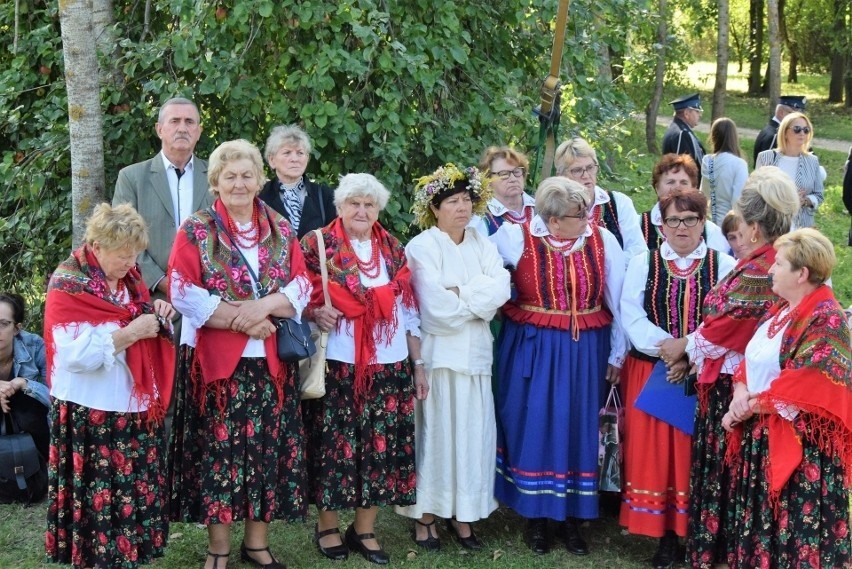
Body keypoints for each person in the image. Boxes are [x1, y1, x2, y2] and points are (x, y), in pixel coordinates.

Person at [167, 140, 309, 569]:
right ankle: (218, 549)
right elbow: (181, 290)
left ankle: (258, 544)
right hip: (216, 364)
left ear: (259, 180)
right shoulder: (195, 228)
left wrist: (261, 308)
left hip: (270, 365)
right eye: (229, 176)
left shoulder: (281, 228)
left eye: (247, 175)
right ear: (215, 183)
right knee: (219, 455)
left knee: (264, 452)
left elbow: (302, 287)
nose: (239, 183)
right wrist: (240, 320)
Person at [661, 167, 799, 569]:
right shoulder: (762, 258)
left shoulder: (763, 266)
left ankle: (720, 554)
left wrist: (687, 347)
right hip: (731, 379)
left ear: (754, 227)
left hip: (734, 386)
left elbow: (728, 324)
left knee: (726, 474)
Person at [492, 176, 626, 556]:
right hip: (532, 346)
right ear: (552, 220)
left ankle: (571, 518)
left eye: (585, 211)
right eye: (577, 214)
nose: (587, 218)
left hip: (587, 349)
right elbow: (480, 268)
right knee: (533, 421)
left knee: (578, 426)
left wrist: (618, 353)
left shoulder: (603, 240)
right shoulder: (514, 237)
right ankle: (536, 517)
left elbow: (619, 302)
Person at [300, 173, 426, 565]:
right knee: (334, 446)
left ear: (378, 209)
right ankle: (328, 526)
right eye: (354, 203)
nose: (361, 210)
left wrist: (417, 363)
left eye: (369, 204)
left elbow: (407, 311)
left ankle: (365, 528)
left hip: (387, 364)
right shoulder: (316, 244)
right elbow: (297, 294)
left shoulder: (392, 249)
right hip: (337, 362)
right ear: (339, 207)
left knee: (379, 448)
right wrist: (313, 311)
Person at [44, 204, 176, 569]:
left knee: (131, 493)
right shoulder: (69, 283)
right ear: (97, 245)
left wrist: (157, 312)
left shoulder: (131, 282)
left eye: (134, 252)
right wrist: (130, 333)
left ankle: (129, 558)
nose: (129, 261)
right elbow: (73, 357)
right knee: (98, 498)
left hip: (132, 405)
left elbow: (137, 316)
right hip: (93, 411)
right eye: (121, 253)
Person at [395, 164, 511, 551]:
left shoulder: (482, 242)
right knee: (437, 435)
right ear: (436, 207)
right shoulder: (422, 246)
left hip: (476, 356)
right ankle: (426, 514)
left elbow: (501, 290)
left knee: (473, 436)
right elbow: (434, 309)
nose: (461, 207)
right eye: (452, 201)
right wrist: (476, 298)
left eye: (466, 200)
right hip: (439, 356)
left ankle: (464, 514)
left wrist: (461, 293)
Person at [619, 189, 735, 569]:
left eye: (690, 219)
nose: (681, 227)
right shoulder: (643, 262)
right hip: (653, 370)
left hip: (705, 375)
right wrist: (668, 348)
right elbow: (631, 315)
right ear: (661, 225)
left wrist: (690, 354)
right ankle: (666, 537)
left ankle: (696, 534)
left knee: (694, 456)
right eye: (673, 220)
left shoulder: (725, 266)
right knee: (657, 457)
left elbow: (728, 323)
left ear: (703, 223)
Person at [722, 228, 851, 568]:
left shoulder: (827, 318)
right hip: (761, 434)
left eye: (778, 264)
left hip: (803, 450)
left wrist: (744, 409)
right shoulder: (780, 310)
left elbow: (805, 385)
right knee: (763, 525)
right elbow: (751, 362)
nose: (770, 270)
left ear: (802, 273)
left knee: (795, 531)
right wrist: (739, 393)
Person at [113, 97, 213, 302]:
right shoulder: (132, 178)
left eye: (189, 122)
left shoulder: (217, 176)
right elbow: (122, 238)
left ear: (199, 131)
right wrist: (159, 281)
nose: (183, 128)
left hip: (210, 296)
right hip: (152, 298)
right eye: (175, 121)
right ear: (159, 129)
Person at [555, 137, 647, 261]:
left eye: (590, 167)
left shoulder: (619, 203)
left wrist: (606, 268)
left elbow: (638, 251)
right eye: (577, 170)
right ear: (561, 175)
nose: (586, 175)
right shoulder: (553, 207)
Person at [0, 292, 49, 502]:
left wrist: (24, 384)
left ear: (17, 328)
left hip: (28, 427)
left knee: (27, 401)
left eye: (3, 324)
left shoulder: (34, 345)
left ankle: (37, 470)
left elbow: (56, 394)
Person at [258, 124, 336, 239]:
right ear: (272, 160)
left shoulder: (325, 196)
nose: (295, 159)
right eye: (287, 153)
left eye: (300, 153)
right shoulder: (260, 196)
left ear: (307, 159)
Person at [639, 154, 728, 252]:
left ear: (694, 188)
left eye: (684, 182)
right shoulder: (639, 225)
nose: (677, 187)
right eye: (670, 182)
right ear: (657, 188)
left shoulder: (710, 231)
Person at [756, 112, 824, 229]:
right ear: (785, 132)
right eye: (797, 129)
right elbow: (756, 192)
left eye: (806, 130)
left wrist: (805, 200)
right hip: (772, 224)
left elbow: (819, 195)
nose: (802, 133)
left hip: (801, 226)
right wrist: (782, 199)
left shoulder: (812, 161)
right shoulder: (766, 158)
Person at [471, 146, 536, 236]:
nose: (513, 179)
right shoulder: (481, 220)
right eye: (504, 174)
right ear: (488, 180)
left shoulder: (542, 209)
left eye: (517, 172)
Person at [700, 118, 748, 225]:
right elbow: (738, 200)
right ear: (734, 137)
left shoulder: (708, 161)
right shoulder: (739, 164)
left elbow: (703, 195)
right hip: (732, 225)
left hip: (711, 222)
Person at [752, 95, 806, 167]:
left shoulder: (771, 129)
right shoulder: (776, 136)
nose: (797, 119)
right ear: (781, 112)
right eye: (794, 114)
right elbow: (767, 167)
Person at [662, 93, 706, 178]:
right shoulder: (682, 134)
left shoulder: (678, 129)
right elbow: (682, 171)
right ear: (686, 113)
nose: (700, 115)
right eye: (697, 111)